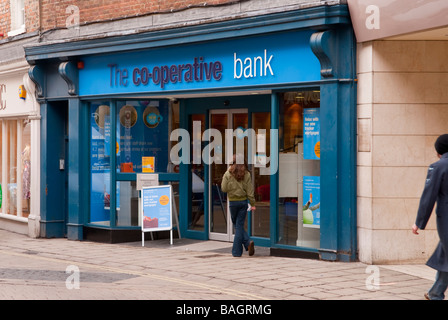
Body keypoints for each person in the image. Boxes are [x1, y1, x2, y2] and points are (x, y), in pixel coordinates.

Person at [413, 134, 448, 300]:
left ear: (439, 151)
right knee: (444, 253)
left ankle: (436, 293)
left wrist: (419, 222)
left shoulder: (439, 166)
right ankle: (435, 292)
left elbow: (429, 196)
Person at [221, 154, 256, 257]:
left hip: (233, 203)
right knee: (239, 225)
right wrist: (252, 203)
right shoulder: (247, 174)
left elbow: (223, 188)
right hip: (243, 202)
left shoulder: (228, 173)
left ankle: (236, 252)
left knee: (238, 226)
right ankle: (247, 242)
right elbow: (250, 191)